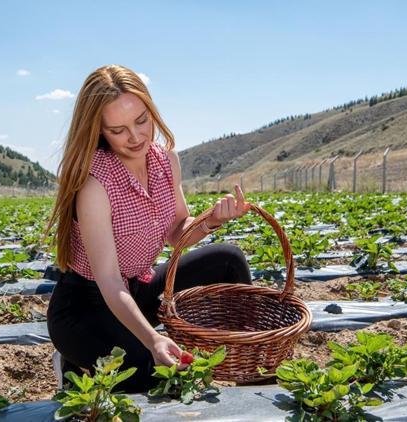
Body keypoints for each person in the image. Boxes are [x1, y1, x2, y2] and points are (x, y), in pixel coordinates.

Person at [45, 64, 252, 393]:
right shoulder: (94, 184)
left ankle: (248, 367)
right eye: (118, 130)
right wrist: (154, 339)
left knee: (228, 259)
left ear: (151, 110)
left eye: (142, 120)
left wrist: (211, 220)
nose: (136, 136)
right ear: (98, 130)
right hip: (85, 308)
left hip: (136, 288)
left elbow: (176, 231)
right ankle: (75, 364)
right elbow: (110, 281)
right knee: (157, 374)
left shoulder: (165, 160)